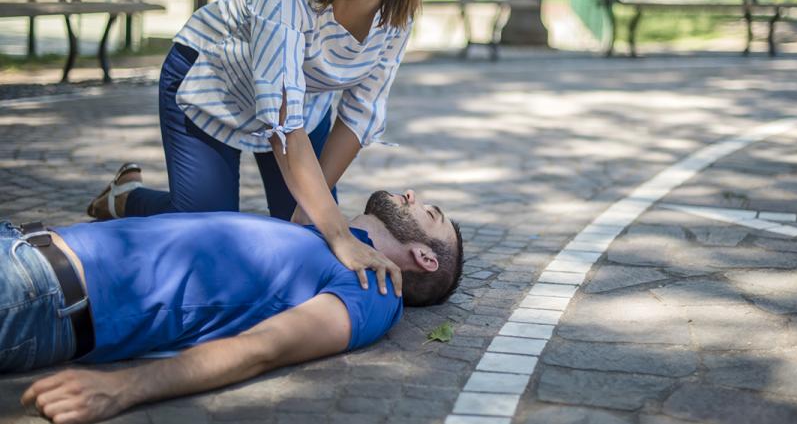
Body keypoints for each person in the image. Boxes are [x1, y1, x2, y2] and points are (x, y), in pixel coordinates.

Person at [86, 0, 437, 297]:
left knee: (309, 230)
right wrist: (339, 234)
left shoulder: (396, 15)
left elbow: (359, 114)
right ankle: (127, 197)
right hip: (211, 85)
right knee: (205, 237)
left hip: (299, 106)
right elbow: (283, 128)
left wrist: (313, 217)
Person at [3, 189, 462, 424]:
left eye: (429, 214)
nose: (411, 196)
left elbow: (264, 347)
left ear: (424, 257)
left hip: (39, 292)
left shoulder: (375, 288)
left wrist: (122, 389)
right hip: (23, 247)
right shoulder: (336, 237)